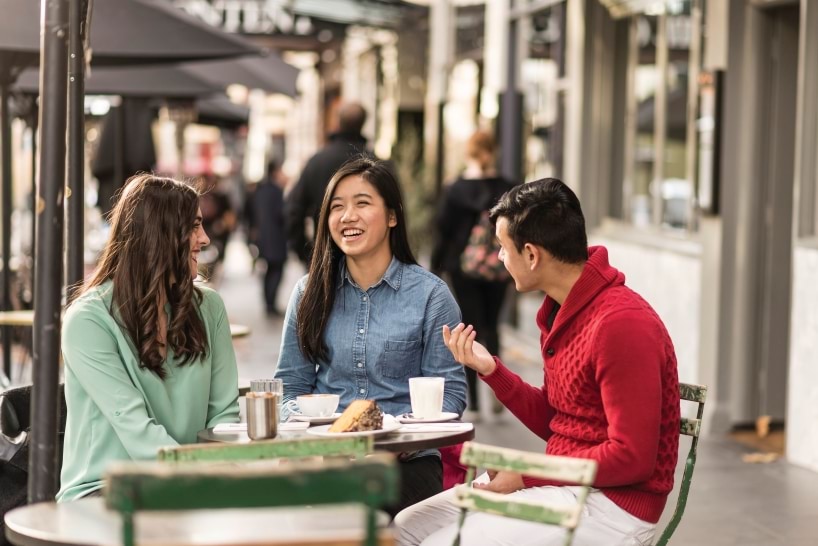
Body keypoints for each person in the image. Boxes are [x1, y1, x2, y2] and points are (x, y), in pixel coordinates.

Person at [395, 178, 681, 545]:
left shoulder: (622, 324)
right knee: (407, 526)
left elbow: (632, 458)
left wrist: (527, 474)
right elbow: (558, 421)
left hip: (614, 508)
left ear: (531, 254)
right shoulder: (562, 313)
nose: (498, 257)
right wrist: (491, 370)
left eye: (502, 247)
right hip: (567, 486)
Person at [275, 157, 467, 515]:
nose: (348, 216)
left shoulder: (431, 296)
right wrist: (315, 437)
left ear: (392, 216)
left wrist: (395, 442)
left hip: (405, 462)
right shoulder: (308, 292)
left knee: (356, 504)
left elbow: (451, 394)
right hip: (324, 456)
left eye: (362, 203)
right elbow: (289, 386)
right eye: (337, 207)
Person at [57, 174, 240, 502]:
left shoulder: (209, 307)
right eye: (194, 226)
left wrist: (221, 482)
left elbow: (224, 415)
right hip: (102, 493)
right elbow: (134, 427)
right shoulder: (88, 320)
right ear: (160, 234)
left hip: (189, 484)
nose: (205, 239)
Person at [431, 129, 516, 413]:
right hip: (499, 264)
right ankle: (497, 387)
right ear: (495, 151)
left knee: (469, 327)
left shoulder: (456, 189)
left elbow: (442, 230)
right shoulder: (507, 187)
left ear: (470, 153)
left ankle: (475, 400)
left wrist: (436, 266)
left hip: (463, 267)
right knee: (492, 326)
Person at [285, 102, 372, 264]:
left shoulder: (318, 161)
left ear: (338, 123)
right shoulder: (375, 162)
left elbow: (293, 210)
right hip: (368, 260)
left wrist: (307, 255)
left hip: (326, 259)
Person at [250, 160, 288, 316]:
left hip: (263, 237)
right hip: (276, 238)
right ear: (275, 172)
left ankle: (267, 303)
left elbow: (251, 213)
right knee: (276, 270)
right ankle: (271, 304)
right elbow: (281, 214)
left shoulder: (259, 191)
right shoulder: (277, 191)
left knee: (268, 270)